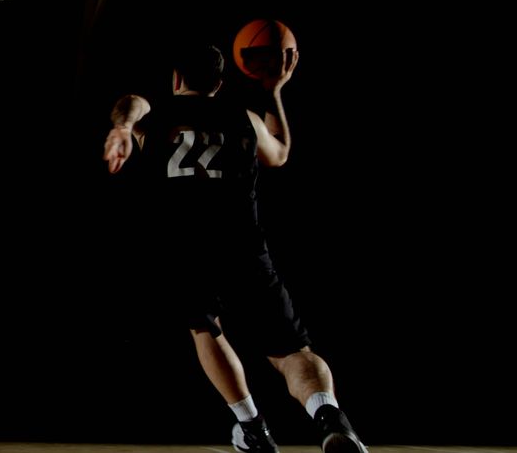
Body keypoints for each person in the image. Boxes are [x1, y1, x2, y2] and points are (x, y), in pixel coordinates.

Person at [101, 43, 367, 453]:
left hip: (187, 249)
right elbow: (279, 154)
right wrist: (273, 89)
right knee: (292, 351)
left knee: (206, 329)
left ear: (175, 80)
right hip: (243, 246)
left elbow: (132, 102)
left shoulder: (157, 120)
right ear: (219, 83)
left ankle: (253, 427)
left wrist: (121, 127)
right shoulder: (243, 119)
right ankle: (330, 416)